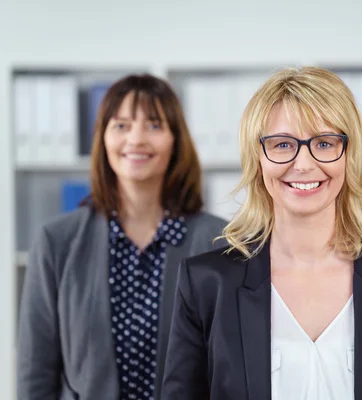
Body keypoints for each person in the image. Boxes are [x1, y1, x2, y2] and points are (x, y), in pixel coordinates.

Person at [160, 66, 362, 399]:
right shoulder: (206, 283)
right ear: (257, 157)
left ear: (349, 155)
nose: (304, 164)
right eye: (281, 145)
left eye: (323, 143)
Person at [17, 74, 227, 400]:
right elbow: (36, 373)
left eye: (154, 125)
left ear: (176, 141)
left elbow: (231, 370)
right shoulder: (57, 242)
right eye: (121, 125)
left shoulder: (218, 242)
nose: (137, 139)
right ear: (102, 138)